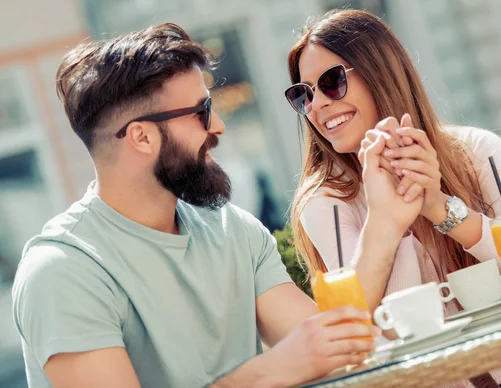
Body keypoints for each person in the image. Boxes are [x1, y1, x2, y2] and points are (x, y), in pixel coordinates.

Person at [10, 23, 390, 388]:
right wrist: (264, 375)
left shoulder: (233, 230)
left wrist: (385, 215)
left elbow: (335, 350)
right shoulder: (62, 274)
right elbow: (291, 361)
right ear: (142, 137)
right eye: (202, 112)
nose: (219, 126)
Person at [285, 9, 501, 387]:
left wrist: (441, 209)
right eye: (304, 94)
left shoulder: (478, 153)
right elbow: (365, 330)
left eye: (331, 82)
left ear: (380, 73)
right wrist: (387, 219)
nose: (316, 106)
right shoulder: (325, 203)